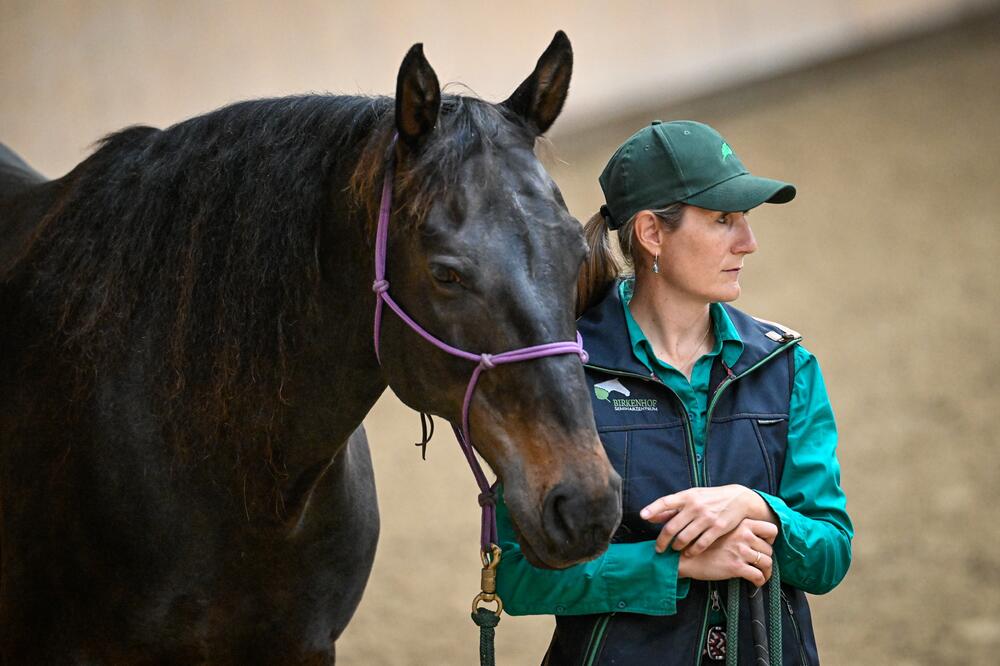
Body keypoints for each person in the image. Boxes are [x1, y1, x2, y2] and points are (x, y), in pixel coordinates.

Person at [495, 120, 853, 665]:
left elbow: (830, 552)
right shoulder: (562, 373)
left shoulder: (788, 367)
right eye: (722, 220)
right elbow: (519, 577)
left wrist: (759, 508)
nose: (748, 242)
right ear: (652, 233)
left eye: (745, 220)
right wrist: (675, 565)